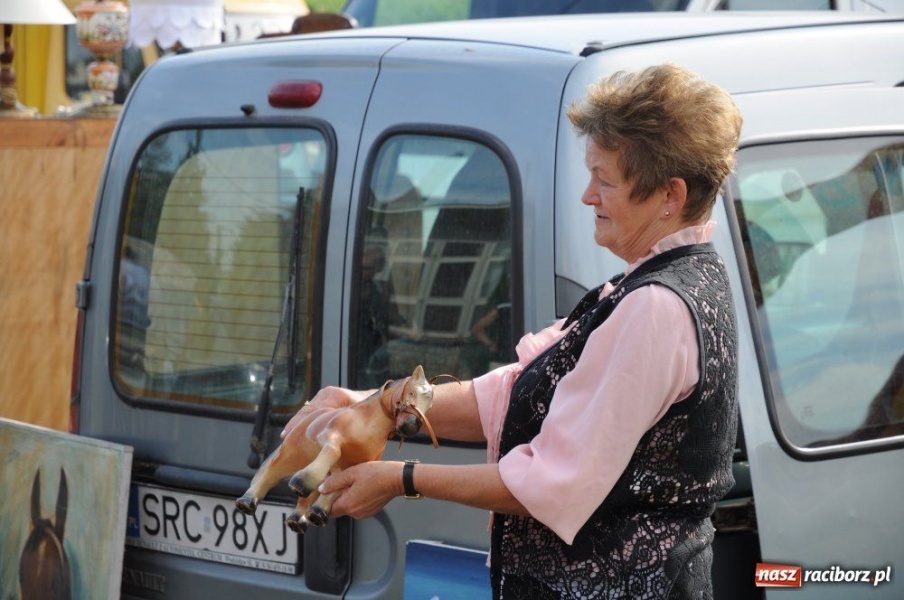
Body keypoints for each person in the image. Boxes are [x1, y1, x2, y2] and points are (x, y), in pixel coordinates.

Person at [281, 63, 743, 599]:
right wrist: (381, 403)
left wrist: (400, 477)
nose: (587, 196)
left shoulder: (658, 307)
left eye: (605, 180)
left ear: (670, 195)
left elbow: (551, 481)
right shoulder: (667, 280)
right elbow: (519, 390)